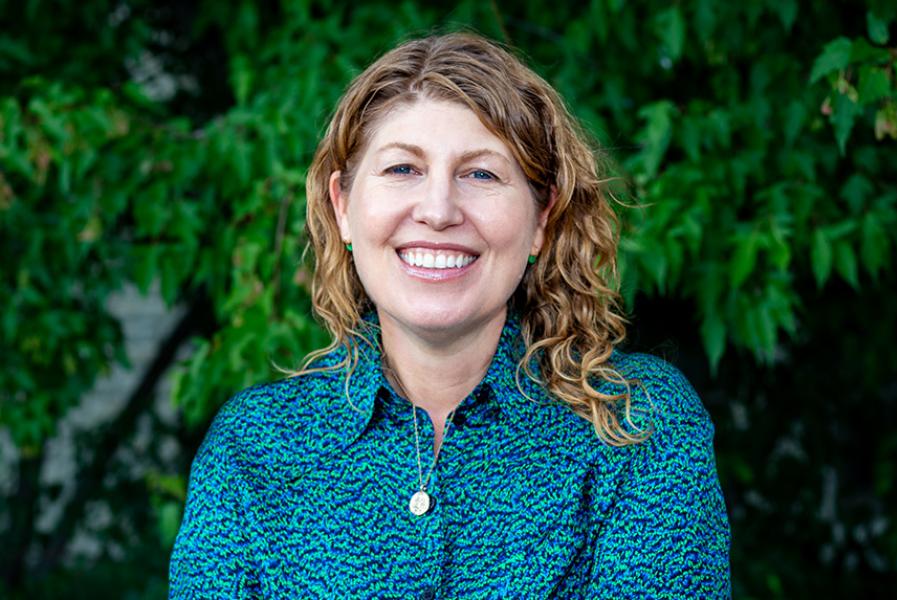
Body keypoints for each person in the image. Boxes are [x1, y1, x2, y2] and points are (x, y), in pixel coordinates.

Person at [169, 32, 730, 598]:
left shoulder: (637, 426)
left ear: (542, 217)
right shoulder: (253, 448)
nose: (437, 211)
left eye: (481, 174)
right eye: (402, 170)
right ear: (342, 207)